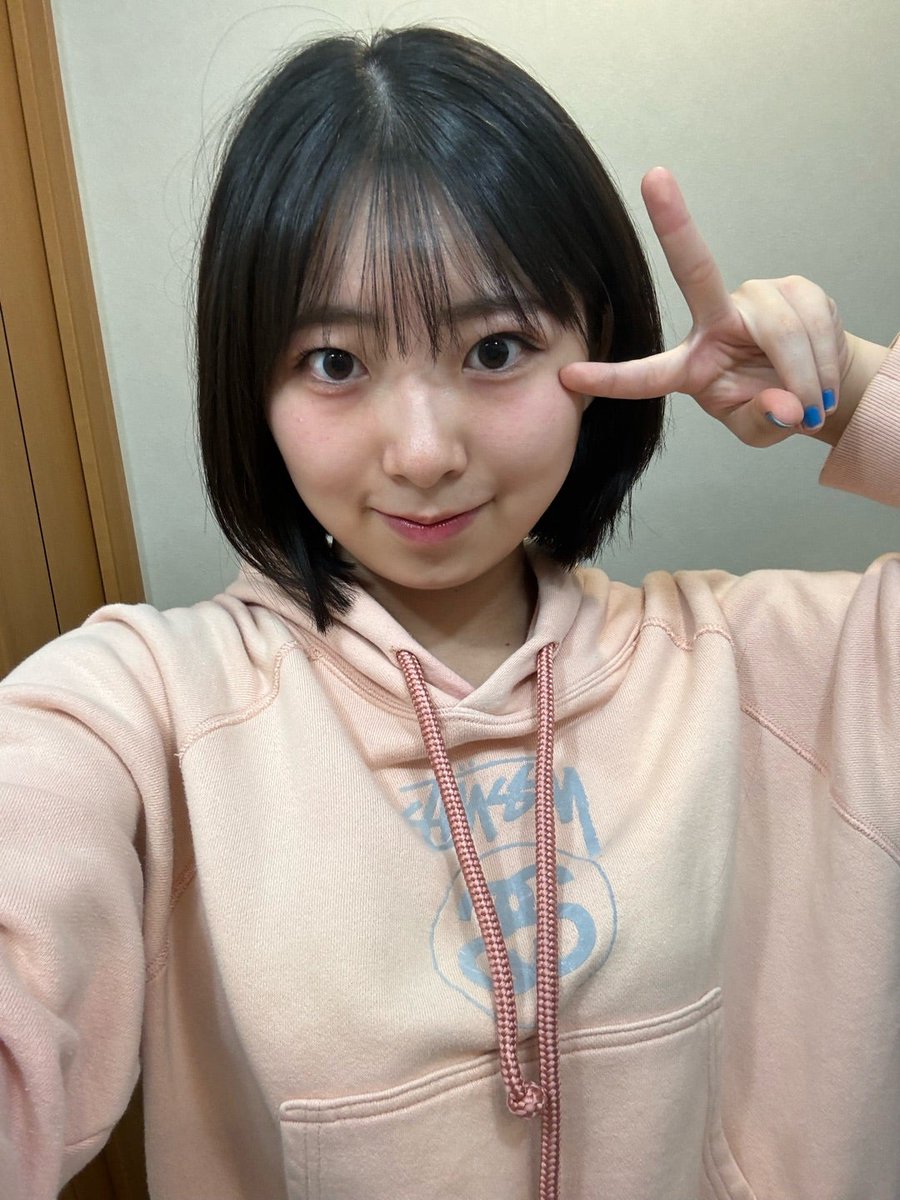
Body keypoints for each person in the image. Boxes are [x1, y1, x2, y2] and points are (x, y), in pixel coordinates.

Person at [1, 24, 898, 1200]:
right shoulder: (147, 713)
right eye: (335, 362)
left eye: (496, 347)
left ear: (600, 350)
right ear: (252, 385)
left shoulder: (763, 670)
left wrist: (859, 392)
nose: (423, 452)